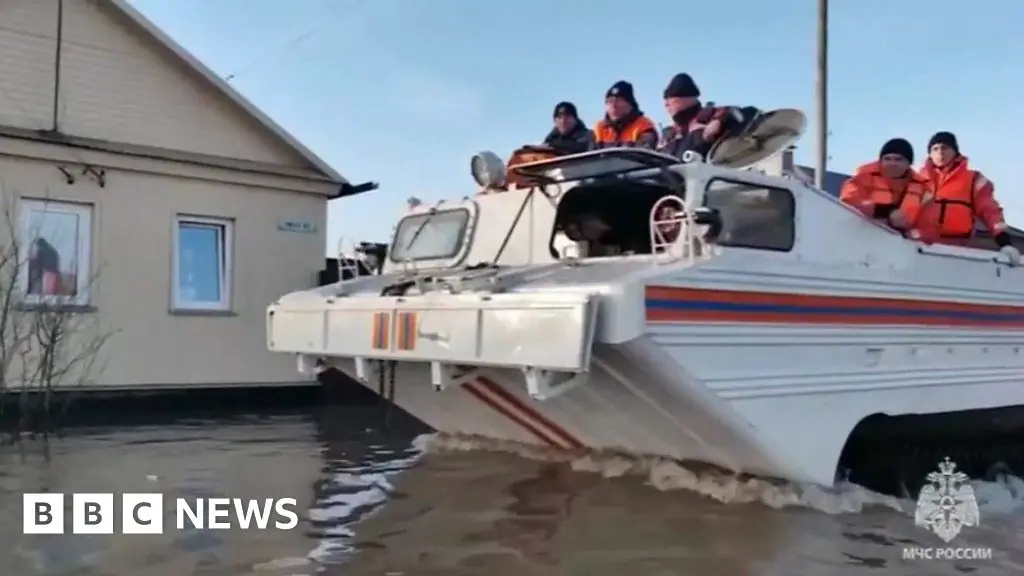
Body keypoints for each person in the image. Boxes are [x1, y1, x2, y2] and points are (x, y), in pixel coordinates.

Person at [906, 131, 1020, 264]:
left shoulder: (974, 179)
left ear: (955, 152)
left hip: (958, 251)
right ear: (930, 154)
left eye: (945, 147)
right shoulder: (914, 178)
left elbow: (991, 211)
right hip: (918, 248)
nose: (940, 152)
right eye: (935, 149)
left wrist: (1005, 243)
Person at [839, 138, 934, 240]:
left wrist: (915, 232)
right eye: (887, 159)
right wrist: (886, 213)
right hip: (863, 238)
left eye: (898, 159)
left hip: (903, 244)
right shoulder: (862, 177)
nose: (892, 163)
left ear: (909, 163)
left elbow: (928, 221)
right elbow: (848, 202)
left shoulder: (923, 187)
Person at [657, 73, 742, 160]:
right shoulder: (669, 135)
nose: (666, 104)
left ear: (685, 97)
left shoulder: (712, 115)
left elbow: (742, 113)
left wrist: (720, 122)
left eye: (669, 99)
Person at [592, 81, 658, 149]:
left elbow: (643, 154)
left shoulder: (644, 126)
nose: (613, 105)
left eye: (618, 100)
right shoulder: (599, 128)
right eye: (609, 101)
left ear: (630, 104)